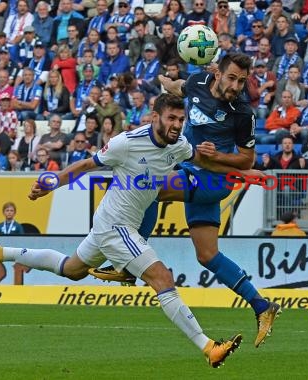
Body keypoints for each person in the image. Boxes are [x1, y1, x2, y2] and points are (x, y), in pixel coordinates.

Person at [0, 93, 243, 367]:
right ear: (154, 117)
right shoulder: (126, 143)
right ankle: (209, 347)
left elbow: (202, 160)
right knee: (162, 278)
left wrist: (242, 172)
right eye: (171, 118)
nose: (177, 124)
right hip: (116, 226)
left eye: (181, 119)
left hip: (110, 223)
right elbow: (87, 165)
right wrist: (53, 182)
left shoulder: (179, 145)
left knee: (71, 269)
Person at [94, 53, 282, 348]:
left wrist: (216, 155)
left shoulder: (243, 112)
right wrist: (166, 81)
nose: (236, 85)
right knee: (207, 255)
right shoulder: (197, 82)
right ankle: (261, 306)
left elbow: (247, 159)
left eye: (242, 81)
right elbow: (178, 87)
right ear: (217, 73)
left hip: (214, 179)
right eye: (231, 77)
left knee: (152, 186)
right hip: (191, 170)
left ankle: (129, 266)